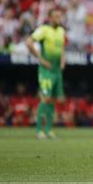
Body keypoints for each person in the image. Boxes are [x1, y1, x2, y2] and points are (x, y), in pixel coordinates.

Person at [26, 8, 66, 140]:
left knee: (53, 100)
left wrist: (62, 60)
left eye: (60, 16)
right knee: (45, 98)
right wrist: (41, 60)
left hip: (56, 70)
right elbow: (29, 42)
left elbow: (62, 47)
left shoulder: (61, 31)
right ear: (50, 18)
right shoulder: (43, 30)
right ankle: (39, 131)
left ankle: (48, 130)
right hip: (46, 70)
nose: (59, 18)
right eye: (56, 16)